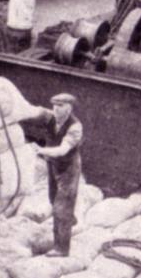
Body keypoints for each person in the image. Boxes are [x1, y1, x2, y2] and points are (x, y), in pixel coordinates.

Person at [34, 93, 83, 257]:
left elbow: (63, 150)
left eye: (60, 106)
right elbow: (33, 112)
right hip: (53, 165)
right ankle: (69, 219)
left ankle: (61, 249)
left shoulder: (75, 127)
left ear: (69, 108)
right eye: (54, 105)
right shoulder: (51, 117)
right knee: (52, 198)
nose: (55, 108)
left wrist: (41, 150)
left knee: (61, 208)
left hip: (68, 168)